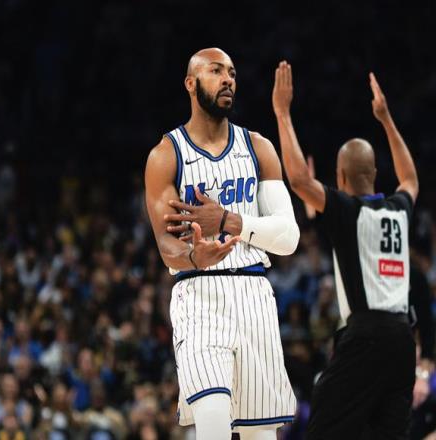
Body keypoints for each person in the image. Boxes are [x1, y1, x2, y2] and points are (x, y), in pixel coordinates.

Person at [145, 48, 300, 439]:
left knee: (259, 435)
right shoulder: (166, 155)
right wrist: (195, 255)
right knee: (212, 423)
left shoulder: (259, 148)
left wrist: (229, 221)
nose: (228, 79)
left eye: (231, 72)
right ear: (191, 83)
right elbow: (166, 246)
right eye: (216, 71)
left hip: (253, 294)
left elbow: (289, 237)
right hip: (198, 297)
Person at [272, 61, 419, 438]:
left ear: (339, 178)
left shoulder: (348, 211)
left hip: (366, 335)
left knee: (324, 423)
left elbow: (299, 180)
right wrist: (386, 120)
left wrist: (282, 112)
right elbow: (409, 178)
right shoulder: (398, 210)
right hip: (404, 340)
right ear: (375, 174)